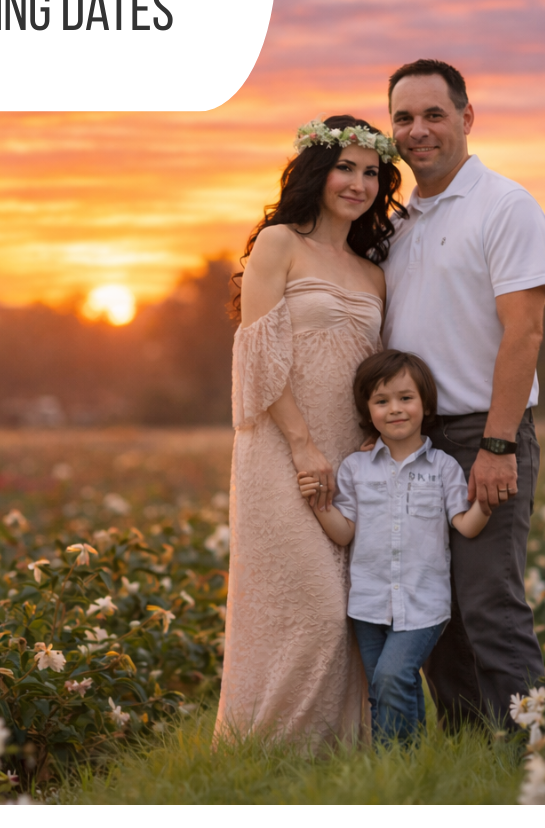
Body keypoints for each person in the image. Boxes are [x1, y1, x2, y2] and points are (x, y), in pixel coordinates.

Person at [215, 116, 400, 745]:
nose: (358, 183)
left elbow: (379, 373)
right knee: (311, 610)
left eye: (371, 172)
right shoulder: (278, 243)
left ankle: (337, 759)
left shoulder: (374, 272)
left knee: (350, 612)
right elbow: (258, 354)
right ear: (318, 172)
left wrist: (374, 448)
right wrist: (301, 445)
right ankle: (261, 749)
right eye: (345, 167)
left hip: (349, 456)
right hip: (280, 446)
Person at [383, 57, 545, 733]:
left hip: (483, 431)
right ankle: (468, 753)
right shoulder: (395, 225)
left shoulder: (505, 206)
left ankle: (535, 757)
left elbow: (525, 332)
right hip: (412, 442)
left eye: (433, 115)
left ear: (466, 118)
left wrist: (498, 444)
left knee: (488, 603)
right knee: (432, 610)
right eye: (403, 117)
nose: (418, 131)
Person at [310, 349, 494, 745]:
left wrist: (487, 503)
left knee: (394, 675)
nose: (395, 409)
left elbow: (465, 525)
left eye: (405, 398)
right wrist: (319, 503)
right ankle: (404, 768)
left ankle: (393, 764)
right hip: (369, 602)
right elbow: (344, 532)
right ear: (368, 409)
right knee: (385, 687)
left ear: (425, 404)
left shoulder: (443, 467)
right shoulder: (355, 468)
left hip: (424, 602)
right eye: (381, 400)